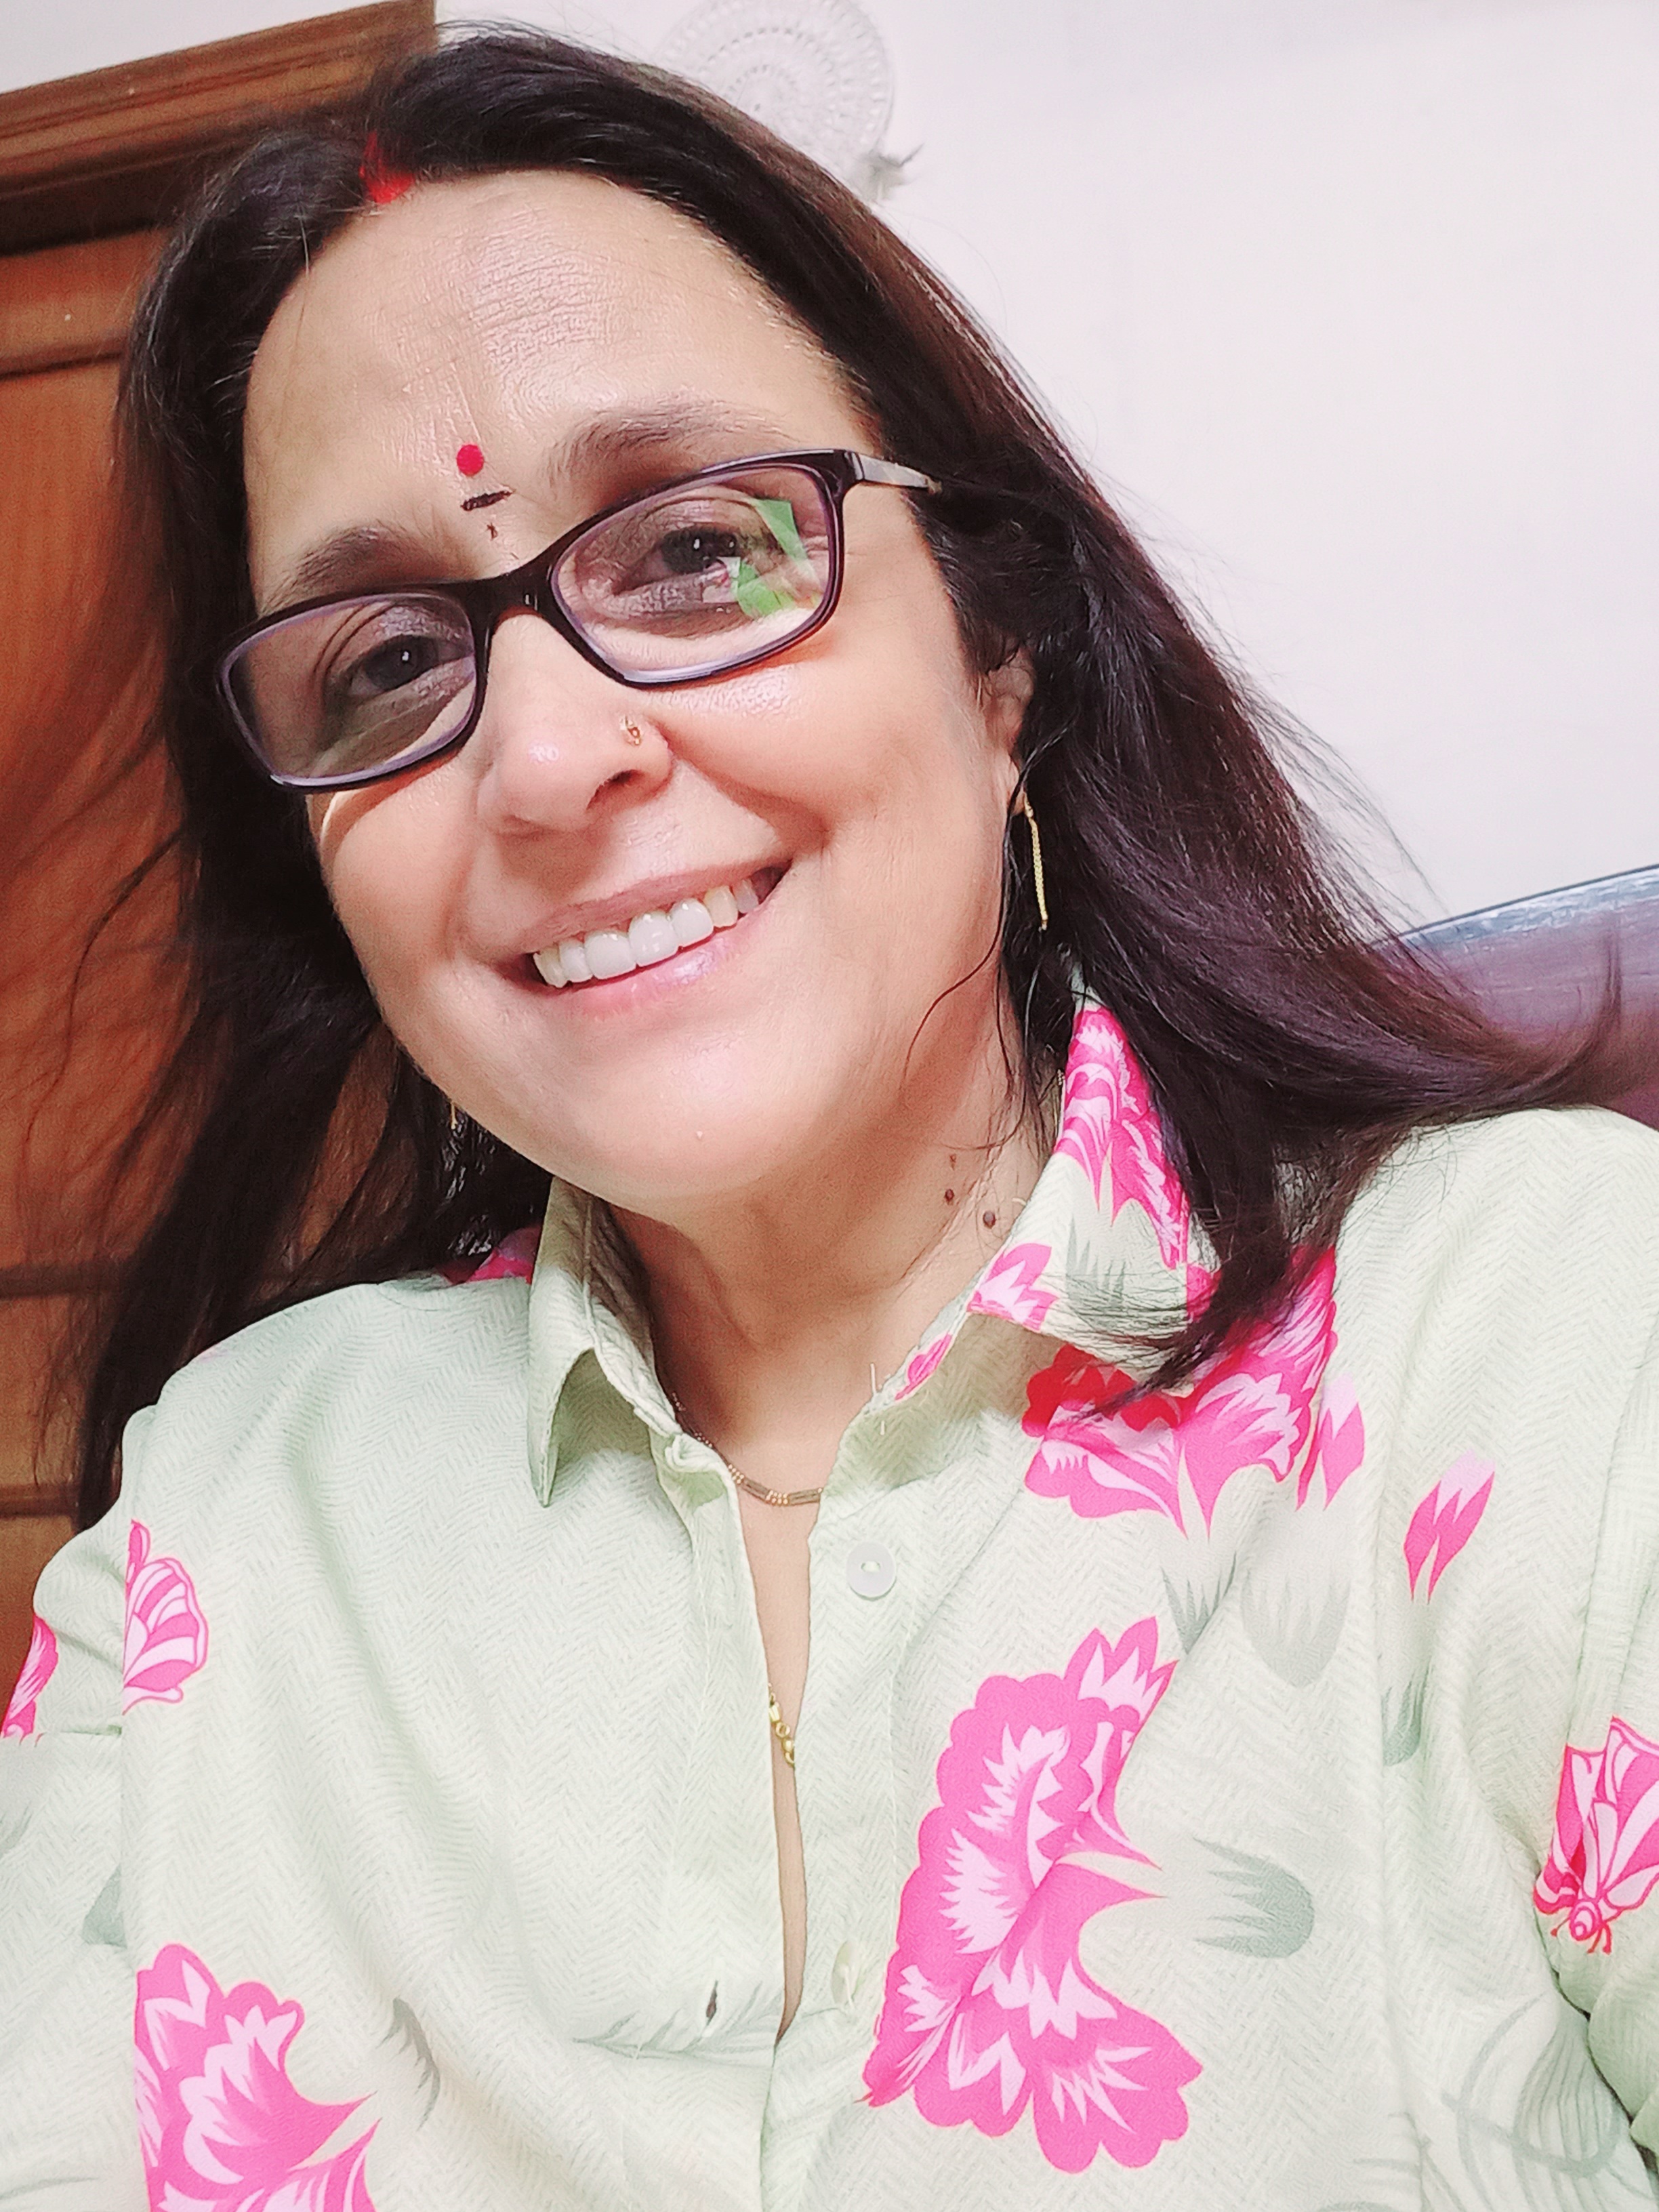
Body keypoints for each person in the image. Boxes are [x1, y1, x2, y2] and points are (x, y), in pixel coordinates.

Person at [2, 29, 1656, 2211]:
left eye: (695, 550)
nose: (542, 762)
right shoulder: (223, 1526)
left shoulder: (1560, 1344)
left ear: (998, 655)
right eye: (385, 662)